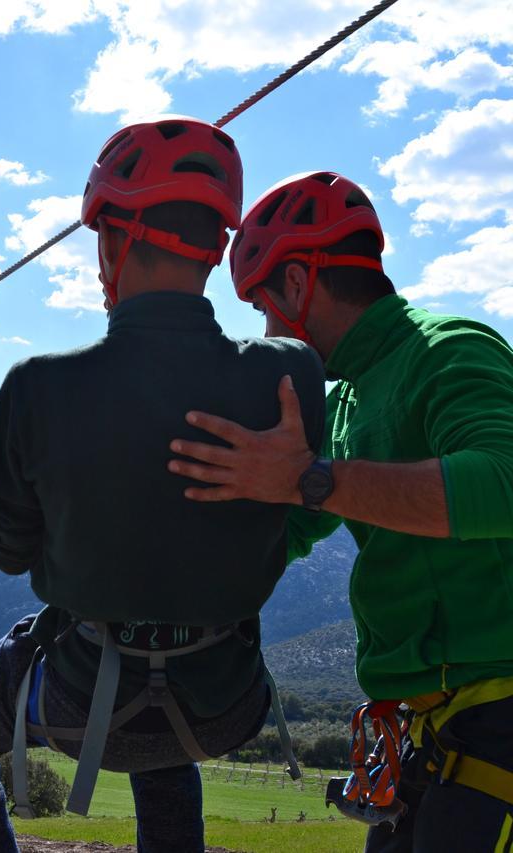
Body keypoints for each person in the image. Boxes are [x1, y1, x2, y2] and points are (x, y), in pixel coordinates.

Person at [0, 117, 327, 853]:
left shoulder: (38, 388)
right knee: (163, 738)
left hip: (78, 694)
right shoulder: (289, 372)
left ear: (111, 242)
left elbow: (8, 551)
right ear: (219, 247)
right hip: (225, 701)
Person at [167, 170, 513, 851]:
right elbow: (290, 519)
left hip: (496, 715)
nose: (267, 331)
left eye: (265, 307)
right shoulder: (347, 399)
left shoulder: (449, 350)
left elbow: (503, 479)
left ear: (298, 284)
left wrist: (308, 477)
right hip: (423, 733)